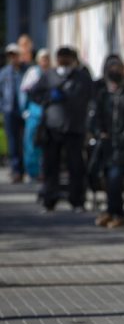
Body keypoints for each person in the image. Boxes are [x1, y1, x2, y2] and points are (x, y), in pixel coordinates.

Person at [30, 46, 93, 212]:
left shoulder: (82, 78)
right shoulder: (49, 76)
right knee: (51, 166)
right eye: (61, 59)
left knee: (76, 166)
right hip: (53, 128)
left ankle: (77, 200)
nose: (64, 63)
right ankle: (49, 199)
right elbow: (34, 93)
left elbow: (93, 97)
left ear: (74, 61)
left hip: (75, 128)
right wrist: (49, 97)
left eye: (68, 60)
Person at [89, 54, 124, 228]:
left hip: (123, 146)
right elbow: (95, 116)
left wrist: (123, 137)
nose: (114, 72)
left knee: (115, 177)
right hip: (106, 145)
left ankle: (118, 213)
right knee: (105, 177)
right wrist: (99, 132)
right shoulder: (102, 91)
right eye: (112, 68)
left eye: (118, 68)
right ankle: (111, 211)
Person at [19, 48, 50, 181]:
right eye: (43, 59)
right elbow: (24, 92)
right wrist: (24, 110)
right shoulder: (32, 73)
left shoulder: (51, 73)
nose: (45, 62)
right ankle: (32, 171)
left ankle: (44, 171)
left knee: (46, 144)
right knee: (31, 143)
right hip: (34, 111)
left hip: (47, 112)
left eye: (47, 59)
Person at [0, 43, 27, 183]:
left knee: (25, 141)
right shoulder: (4, 73)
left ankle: (25, 169)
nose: (12, 58)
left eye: (14, 55)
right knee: (13, 141)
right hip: (9, 110)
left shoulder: (26, 70)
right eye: (10, 55)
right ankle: (16, 170)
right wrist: (3, 107)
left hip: (24, 110)